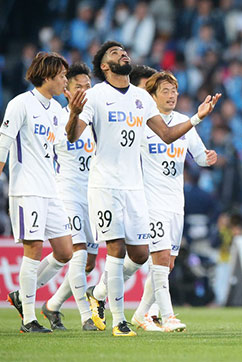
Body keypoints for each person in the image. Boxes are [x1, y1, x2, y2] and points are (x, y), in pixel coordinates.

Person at [65, 40, 220, 337]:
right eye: (114, 52)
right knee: (116, 248)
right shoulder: (95, 96)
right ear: (105, 66)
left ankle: (98, 294)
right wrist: (73, 113)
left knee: (138, 255)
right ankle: (119, 321)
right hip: (106, 185)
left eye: (123, 50)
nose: (123, 53)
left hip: (134, 188)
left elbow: (166, 135)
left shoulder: (140, 97)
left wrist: (198, 117)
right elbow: (73, 136)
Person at [131, 71, 217, 332]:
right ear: (152, 96)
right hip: (151, 200)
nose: (171, 96)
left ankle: (141, 314)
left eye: (174, 91)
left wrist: (208, 158)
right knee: (160, 257)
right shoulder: (143, 124)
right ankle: (167, 317)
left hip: (175, 203)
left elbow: (199, 157)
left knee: (168, 263)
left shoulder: (182, 122)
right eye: (165, 91)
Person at [1, 52, 73, 333]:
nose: (65, 80)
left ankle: (22, 295)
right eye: (62, 76)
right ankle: (29, 319)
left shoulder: (56, 109)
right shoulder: (20, 104)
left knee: (65, 251)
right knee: (33, 249)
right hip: (27, 189)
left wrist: (75, 112)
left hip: (50, 189)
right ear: (47, 76)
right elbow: (3, 144)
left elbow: (63, 146)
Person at [42, 62, 102, 331]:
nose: (85, 91)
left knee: (88, 262)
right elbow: (63, 141)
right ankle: (86, 317)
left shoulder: (96, 119)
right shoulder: (58, 117)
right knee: (78, 253)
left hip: (94, 193)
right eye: (79, 86)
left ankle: (51, 305)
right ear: (67, 89)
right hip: (67, 191)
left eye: (88, 86)